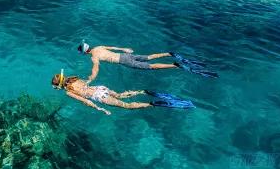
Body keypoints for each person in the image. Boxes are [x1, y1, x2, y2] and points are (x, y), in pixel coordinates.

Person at [51, 70, 194, 115]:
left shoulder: (68, 92)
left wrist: (100, 108)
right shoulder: (74, 79)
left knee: (127, 106)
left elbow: (86, 101)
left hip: (98, 96)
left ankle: (154, 103)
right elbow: (87, 83)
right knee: (120, 95)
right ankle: (142, 91)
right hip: (101, 88)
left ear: (59, 85)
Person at [78, 40, 218, 83]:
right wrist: (125, 49)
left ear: (85, 53)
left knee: (151, 67)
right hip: (125, 55)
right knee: (150, 57)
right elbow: (113, 47)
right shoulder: (99, 47)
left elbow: (95, 68)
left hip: (124, 62)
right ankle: (169, 53)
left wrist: (90, 79)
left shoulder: (94, 57)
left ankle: (175, 65)